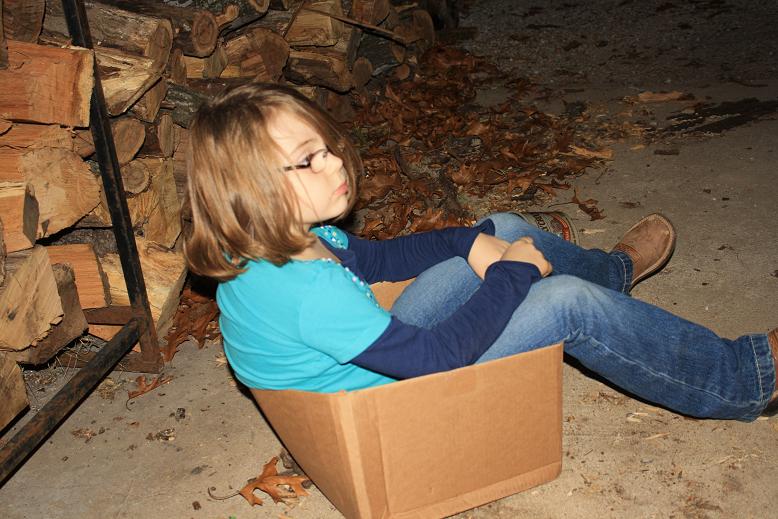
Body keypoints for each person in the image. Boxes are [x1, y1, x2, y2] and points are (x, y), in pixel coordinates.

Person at [183, 83, 777, 421]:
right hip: (394, 407)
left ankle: (613, 274)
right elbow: (437, 357)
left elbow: (381, 263)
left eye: (327, 146)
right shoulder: (305, 293)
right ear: (252, 191)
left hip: (380, 360)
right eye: (309, 160)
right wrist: (512, 275)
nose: (336, 162)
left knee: (503, 228)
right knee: (564, 301)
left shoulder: (286, 241)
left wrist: (469, 240)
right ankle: (744, 378)